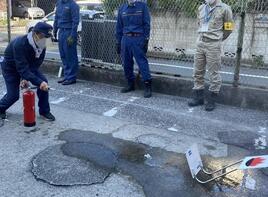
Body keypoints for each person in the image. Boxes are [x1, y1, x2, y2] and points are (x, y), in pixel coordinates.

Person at [0, 22, 55, 121]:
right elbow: (22, 69)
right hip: (10, 69)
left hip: (27, 67)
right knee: (13, 96)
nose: (46, 40)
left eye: (48, 37)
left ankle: (44, 111)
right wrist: (34, 80)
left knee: (43, 82)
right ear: (35, 34)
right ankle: (1, 108)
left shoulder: (43, 43)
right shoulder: (20, 44)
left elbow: (37, 63)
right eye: (44, 36)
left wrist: (27, 78)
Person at [188, 0, 234, 111]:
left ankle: (212, 99)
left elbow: (228, 28)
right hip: (200, 43)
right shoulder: (201, 8)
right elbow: (199, 24)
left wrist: (218, 39)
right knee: (197, 71)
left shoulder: (225, 9)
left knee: (214, 72)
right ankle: (198, 97)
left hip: (213, 44)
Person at [116, 0, 152, 98]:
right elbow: (119, 27)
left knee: (142, 62)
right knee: (126, 63)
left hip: (138, 38)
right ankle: (130, 84)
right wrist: (118, 42)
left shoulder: (143, 7)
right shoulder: (122, 8)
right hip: (125, 39)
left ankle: (147, 86)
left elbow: (146, 24)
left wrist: (146, 39)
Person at [53, 0, 80, 85]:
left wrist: (72, 35)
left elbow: (75, 21)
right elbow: (56, 17)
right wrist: (55, 29)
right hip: (61, 31)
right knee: (63, 55)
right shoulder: (59, 3)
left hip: (69, 32)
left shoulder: (73, 5)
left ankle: (71, 77)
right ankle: (67, 76)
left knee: (70, 55)